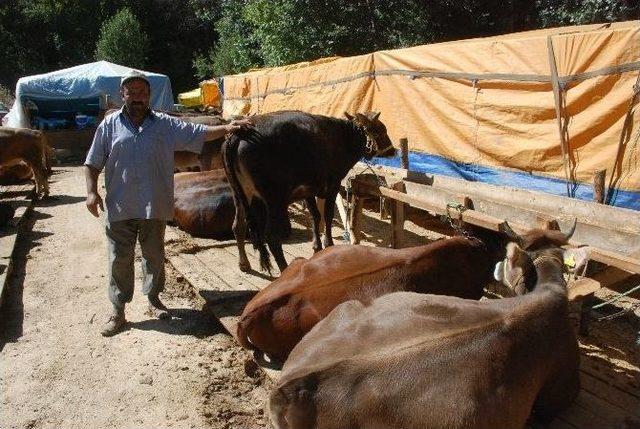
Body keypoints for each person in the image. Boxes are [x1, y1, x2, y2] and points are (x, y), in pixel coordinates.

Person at [84, 70, 251, 337]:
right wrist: (91, 193)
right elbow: (92, 162)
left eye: (142, 92)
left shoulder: (164, 124)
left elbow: (199, 132)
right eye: (131, 92)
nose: (137, 96)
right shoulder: (109, 125)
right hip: (120, 205)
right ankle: (118, 310)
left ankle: (153, 299)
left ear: (149, 96)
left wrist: (228, 127)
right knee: (119, 259)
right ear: (122, 95)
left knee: (154, 256)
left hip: (155, 204)